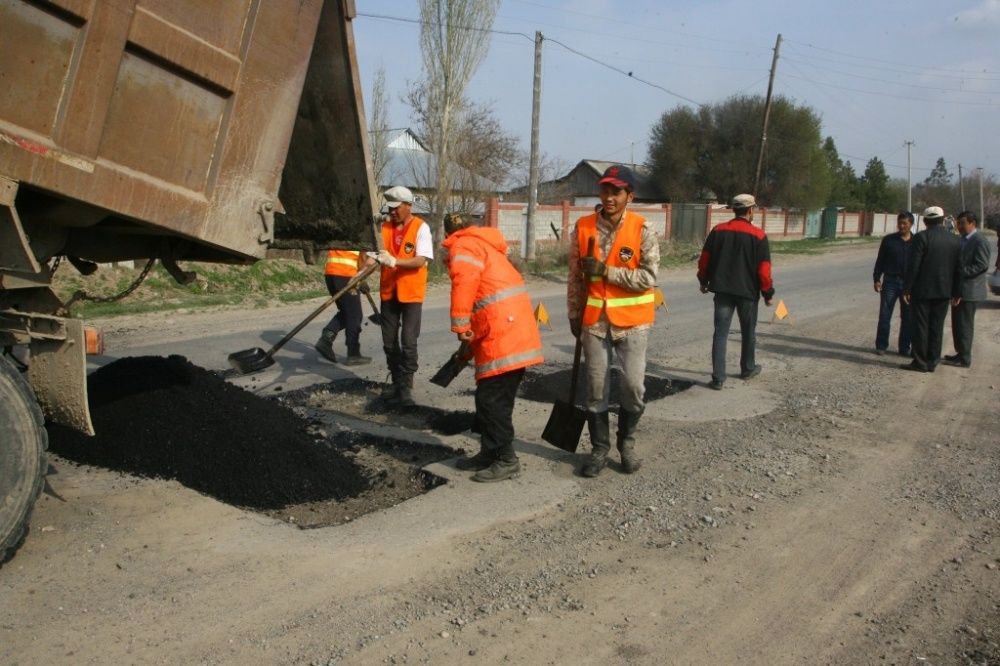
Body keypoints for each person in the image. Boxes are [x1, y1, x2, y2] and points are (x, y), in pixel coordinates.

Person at [567, 165, 659, 478]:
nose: (608, 196)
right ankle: (599, 449)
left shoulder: (643, 229)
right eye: (605, 189)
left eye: (615, 191)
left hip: (633, 323)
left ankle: (627, 444)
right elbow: (574, 278)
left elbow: (649, 277)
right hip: (594, 322)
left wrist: (606, 271)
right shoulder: (582, 227)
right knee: (596, 388)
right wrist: (572, 313)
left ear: (629, 196)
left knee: (633, 387)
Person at [443, 214, 544, 483]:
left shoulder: (463, 246)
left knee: (492, 400)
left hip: (503, 333)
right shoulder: (485, 245)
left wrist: (460, 324)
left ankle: (507, 459)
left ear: (449, 233)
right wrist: (470, 342)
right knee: (489, 398)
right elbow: (485, 296)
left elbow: (465, 283)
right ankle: (490, 451)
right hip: (507, 330)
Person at [697, 194, 775, 391]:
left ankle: (718, 378)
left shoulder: (718, 230)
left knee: (720, 333)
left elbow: (704, 259)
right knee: (748, 331)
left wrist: (703, 281)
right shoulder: (758, 235)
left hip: (722, 290)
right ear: (750, 210)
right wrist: (768, 293)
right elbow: (764, 270)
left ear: (734, 209)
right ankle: (748, 369)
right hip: (748, 293)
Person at [375, 185, 433, 406]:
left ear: (408, 205)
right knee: (389, 342)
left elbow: (421, 259)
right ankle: (397, 382)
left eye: (396, 208)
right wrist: (358, 275)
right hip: (389, 291)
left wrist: (395, 261)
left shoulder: (421, 228)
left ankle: (407, 386)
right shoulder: (384, 228)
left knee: (408, 341)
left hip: (411, 293)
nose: (392, 212)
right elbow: (375, 256)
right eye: (390, 208)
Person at [900, 206, 962, 373]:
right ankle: (932, 361)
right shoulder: (955, 240)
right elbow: (959, 269)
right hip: (944, 291)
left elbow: (914, 265)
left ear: (925, 221)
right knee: (936, 327)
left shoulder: (921, 237)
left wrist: (907, 288)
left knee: (921, 326)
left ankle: (920, 362)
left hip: (922, 291)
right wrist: (957, 292)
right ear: (942, 220)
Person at [943, 210, 991, 368]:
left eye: (962, 223)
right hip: (959, 290)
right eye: (958, 223)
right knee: (957, 323)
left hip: (970, 290)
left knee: (965, 324)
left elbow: (982, 265)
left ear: (973, 223)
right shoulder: (962, 240)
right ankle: (960, 353)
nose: (959, 226)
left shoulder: (979, 241)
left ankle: (965, 357)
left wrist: (961, 273)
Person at [314, 250, 374, 365]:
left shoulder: (343, 234)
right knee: (355, 316)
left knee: (346, 312)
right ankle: (353, 354)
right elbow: (362, 258)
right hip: (346, 275)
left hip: (331, 274)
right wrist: (360, 278)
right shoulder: (361, 234)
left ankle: (327, 337)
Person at [872, 211, 915, 356]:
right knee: (885, 314)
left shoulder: (917, 242)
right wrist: (877, 279)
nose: (901, 226)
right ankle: (881, 345)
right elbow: (880, 261)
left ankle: (904, 347)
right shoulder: (889, 241)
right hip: (890, 281)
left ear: (911, 224)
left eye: (905, 223)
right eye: (899, 223)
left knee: (908, 317)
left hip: (909, 284)